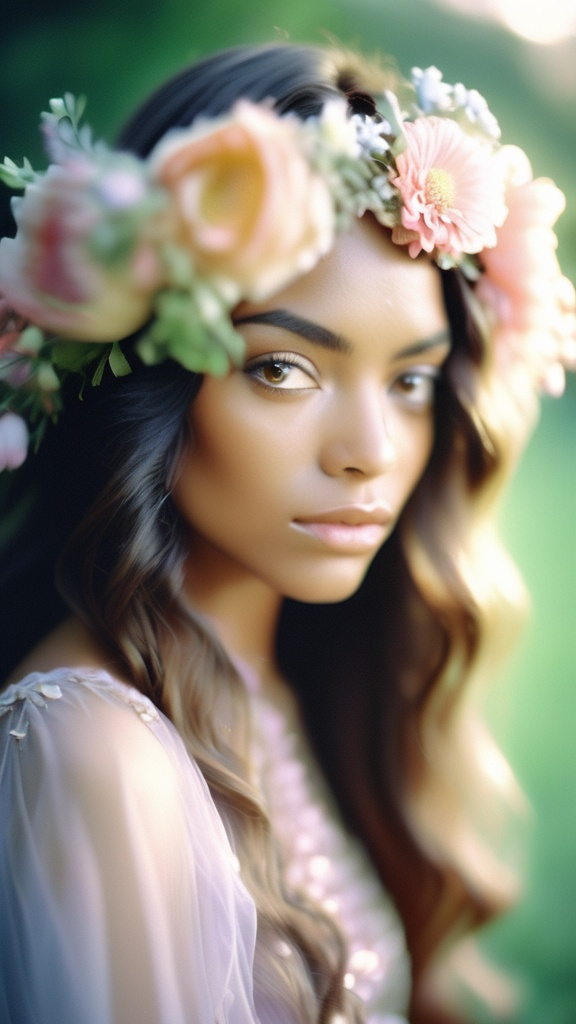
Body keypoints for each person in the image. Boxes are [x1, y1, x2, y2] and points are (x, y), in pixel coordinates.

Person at [0, 42, 574, 1024]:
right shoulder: (92, 747)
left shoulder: (305, 673)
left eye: (411, 382)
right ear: (147, 374)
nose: (369, 452)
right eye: (283, 369)